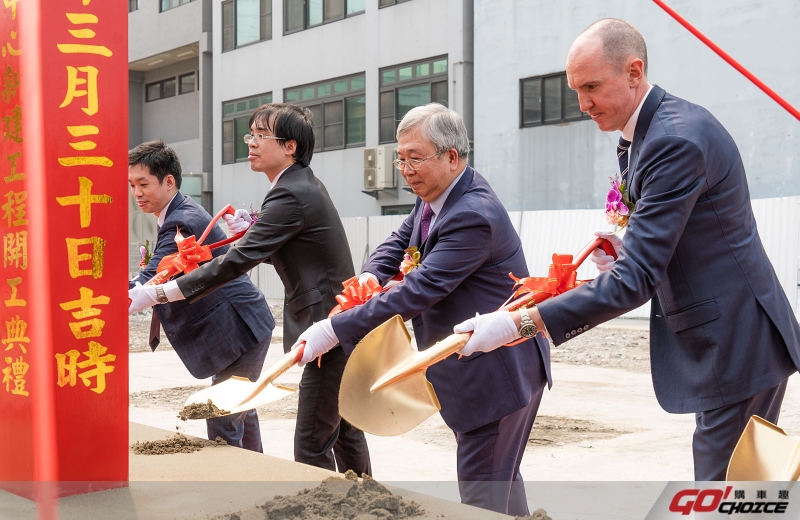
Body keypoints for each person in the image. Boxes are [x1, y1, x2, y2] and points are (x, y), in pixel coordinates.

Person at [455, 19, 800, 481]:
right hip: (728, 333)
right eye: (576, 89)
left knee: (722, 491)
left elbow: (635, 280)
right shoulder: (649, 133)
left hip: (737, 342)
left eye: (592, 86)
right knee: (736, 488)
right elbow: (676, 237)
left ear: (634, 71)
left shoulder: (672, 140)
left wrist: (518, 323)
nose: (583, 104)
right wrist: (626, 245)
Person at [292, 103, 551, 516]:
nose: (405, 168)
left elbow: (420, 288)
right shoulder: (437, 197)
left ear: (452, 156)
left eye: (416, 158)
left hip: (495, 374)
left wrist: (335, 328)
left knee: (482, 493)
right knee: (500, 480)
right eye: (401, 158)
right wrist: (372, 275)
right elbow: (398, 243)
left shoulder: (472, 215)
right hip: (496, 367)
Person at [128, 105, 372, 476]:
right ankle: (368, 503)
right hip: (337, 323)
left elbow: (235, 261)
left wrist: (158, 294)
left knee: (309, 442)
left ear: (290, 146)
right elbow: (290, 253)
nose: (251, 144)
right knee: (343, 432)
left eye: (260, 136)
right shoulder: (297, 186)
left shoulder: (290, 192)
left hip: (327, 329)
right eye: (250, 135)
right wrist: (255, 226)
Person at [128, 140, 274, 452]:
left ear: (169, 182)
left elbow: (152, 278)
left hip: (241, 327)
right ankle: (256, 484)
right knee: (238, 412)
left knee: (222, 415)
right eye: (132, 185)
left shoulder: (183, 221)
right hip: (238, 326)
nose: (137, 193)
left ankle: (231, 492)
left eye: (143, 184)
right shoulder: (175, 214)